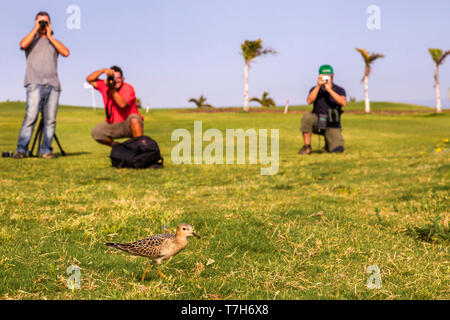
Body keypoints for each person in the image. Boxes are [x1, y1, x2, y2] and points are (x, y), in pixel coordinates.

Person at [14, 11, 70, 159]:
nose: (43, 24)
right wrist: (35, 29)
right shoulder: (32, 39)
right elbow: (22, 44)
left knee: (50, 120)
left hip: (53, 85)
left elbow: (66, 53)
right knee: (31, 117)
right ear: (36, 22)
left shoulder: (53, 41)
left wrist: (50, 35)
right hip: (35, 83)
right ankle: (22, 149)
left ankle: (45, 150)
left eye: (46, 22)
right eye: (41, 21)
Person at [86, 66, 144, 147]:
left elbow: (122, 104)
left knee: (134, 119)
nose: (116, 81)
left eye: (118, 78)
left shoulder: (128, 87)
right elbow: (89, 79)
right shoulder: (104, 85)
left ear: (123, 78)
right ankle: (119, 147)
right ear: (109, 78)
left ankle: (141, 148)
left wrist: (111, 89)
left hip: (128, 123)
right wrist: (103, 70)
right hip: (113, 124)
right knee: (96, 132)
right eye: (113, 78)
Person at [299, 65, 347, 155]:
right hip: (318, 120)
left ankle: (328, 145)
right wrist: (318, 86)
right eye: (324, 75)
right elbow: (309, 101)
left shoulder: (339, 89)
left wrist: (329, 90)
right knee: (307, 118)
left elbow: (343, 102)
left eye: (329, 75)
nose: (327, 77)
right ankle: (307, 147)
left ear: (333, 75)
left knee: (337, 150)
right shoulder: (315, 89)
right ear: (320, 76)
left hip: (332, 123)